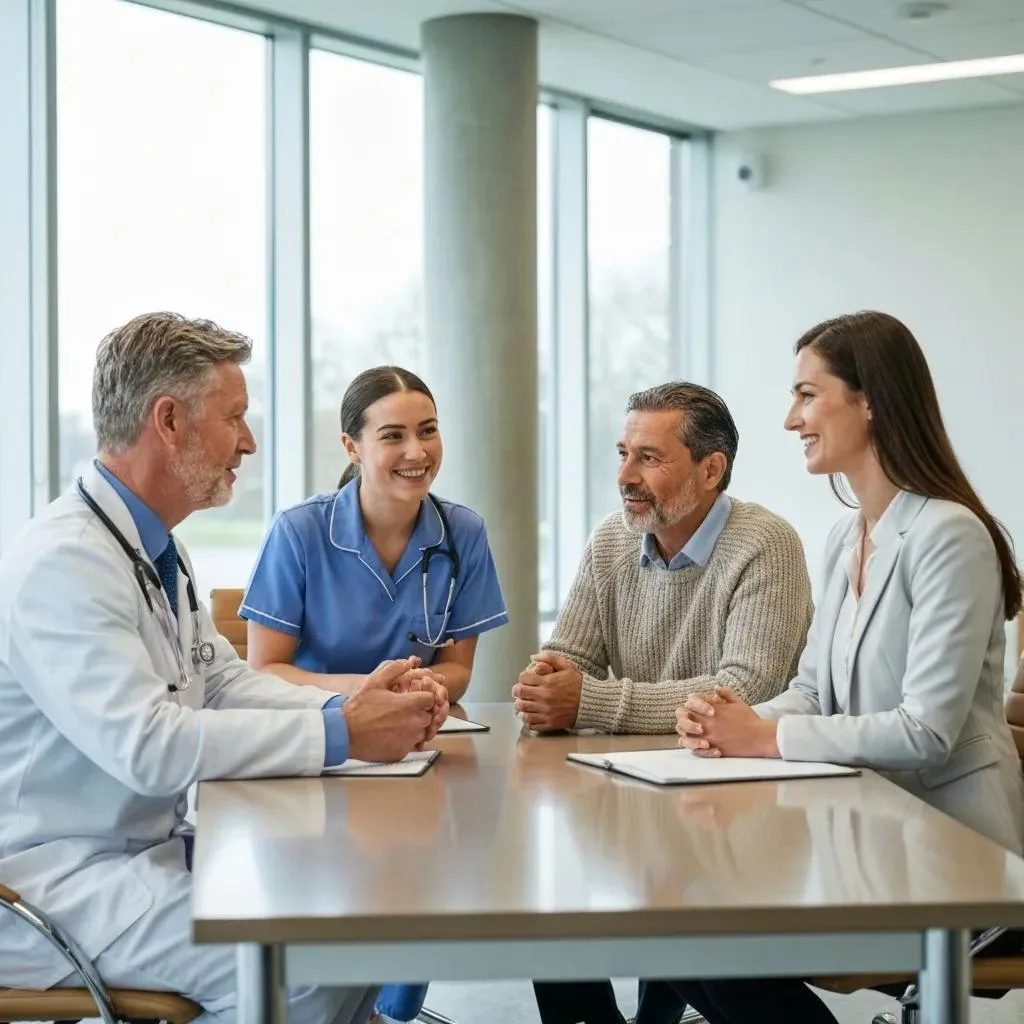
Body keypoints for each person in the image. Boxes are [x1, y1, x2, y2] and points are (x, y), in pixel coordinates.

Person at [0, 312, 448, 1024]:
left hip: (135, 853)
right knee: (306, 967)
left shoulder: (151, 548)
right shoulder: (65, 563)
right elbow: (150, 747)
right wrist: (345, 736)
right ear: (169, 421)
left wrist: (350, 706)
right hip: (53, 880)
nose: (248, 440)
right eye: (234, 416)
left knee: (359, 914)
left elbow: (223, 682)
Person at [668, 310, 1024, 1024]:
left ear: (870, 401)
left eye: (807, 394)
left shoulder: (950, 535)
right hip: (868, 837)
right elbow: (811, 692)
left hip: (959, 856)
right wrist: (731, 722)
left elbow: (926, 733)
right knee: (683, 932)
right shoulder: (843, 537)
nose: (791, 418)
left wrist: (763, 739)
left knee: (717, 950)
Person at [515, 382, 814, 1024]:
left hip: (740, 817)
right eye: (623, 453)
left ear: (712, 469)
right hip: (640, 800)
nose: (625, 476)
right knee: (549, 917)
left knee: (706, 962)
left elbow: (745, 693)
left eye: (648, 458)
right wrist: (544, 691)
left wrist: (587, 701)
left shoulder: (767, 545)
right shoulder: (612, 542)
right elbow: (567, 660)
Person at [240, 364, 508, 1021]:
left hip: (420, 756)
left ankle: (386, 1009)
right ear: (352, 446)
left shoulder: (462, 533)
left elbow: (458, 668)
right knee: (341, 912)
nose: (417, 452)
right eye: (393, 435)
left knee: (430, 888)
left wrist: (414, 691)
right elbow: (266, 671)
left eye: (429, 431)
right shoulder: (300, 532)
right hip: (319, 754)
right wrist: (371, 691)